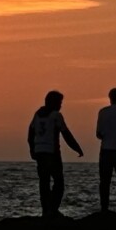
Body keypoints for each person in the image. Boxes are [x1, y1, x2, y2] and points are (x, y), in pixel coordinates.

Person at [25, 90, 82, 218]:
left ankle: (46, 210)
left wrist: (32, 149)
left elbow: (30, 133)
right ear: (53, 102)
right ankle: (53, 209)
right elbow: (66, 134)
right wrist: (77, 148)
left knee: (44, 183)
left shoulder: (37, 114)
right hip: (52, 152)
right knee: (59, 182)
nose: (61, 105)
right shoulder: (56, 115)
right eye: (59, 102)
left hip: (39, 152)